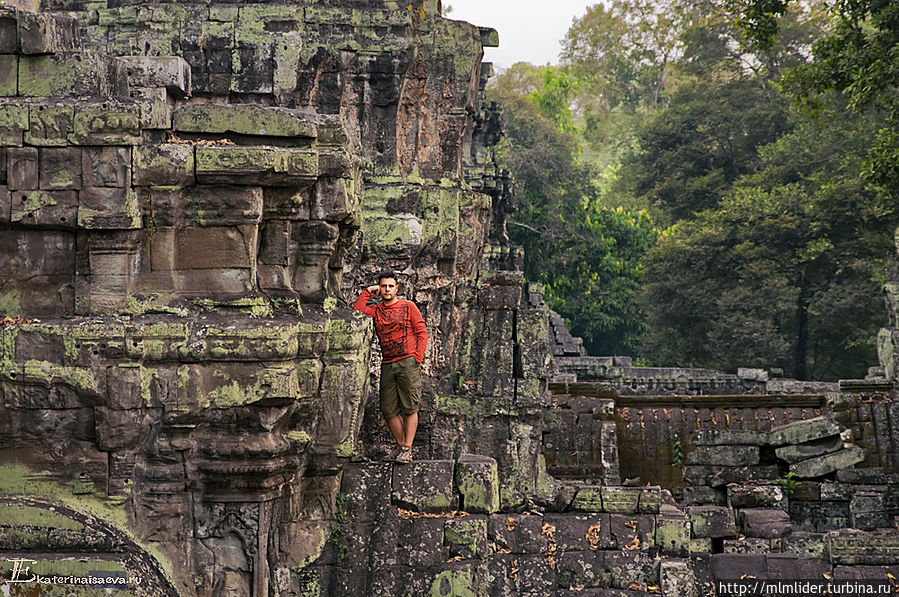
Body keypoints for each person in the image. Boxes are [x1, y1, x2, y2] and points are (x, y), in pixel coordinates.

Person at [354, 271, 428, 463]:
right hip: (387, 363)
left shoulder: (408, 306)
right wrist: (369, 291)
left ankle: (406, 449)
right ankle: (404, 447)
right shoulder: (377, 310)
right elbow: (358, 309)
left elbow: (422, 333)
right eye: (383, 286)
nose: (387, 290)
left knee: (410, 406)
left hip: (407, 361)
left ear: (397, 288)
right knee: (388, 410)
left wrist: (416, 359)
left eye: (390, 286)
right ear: (380, 288)